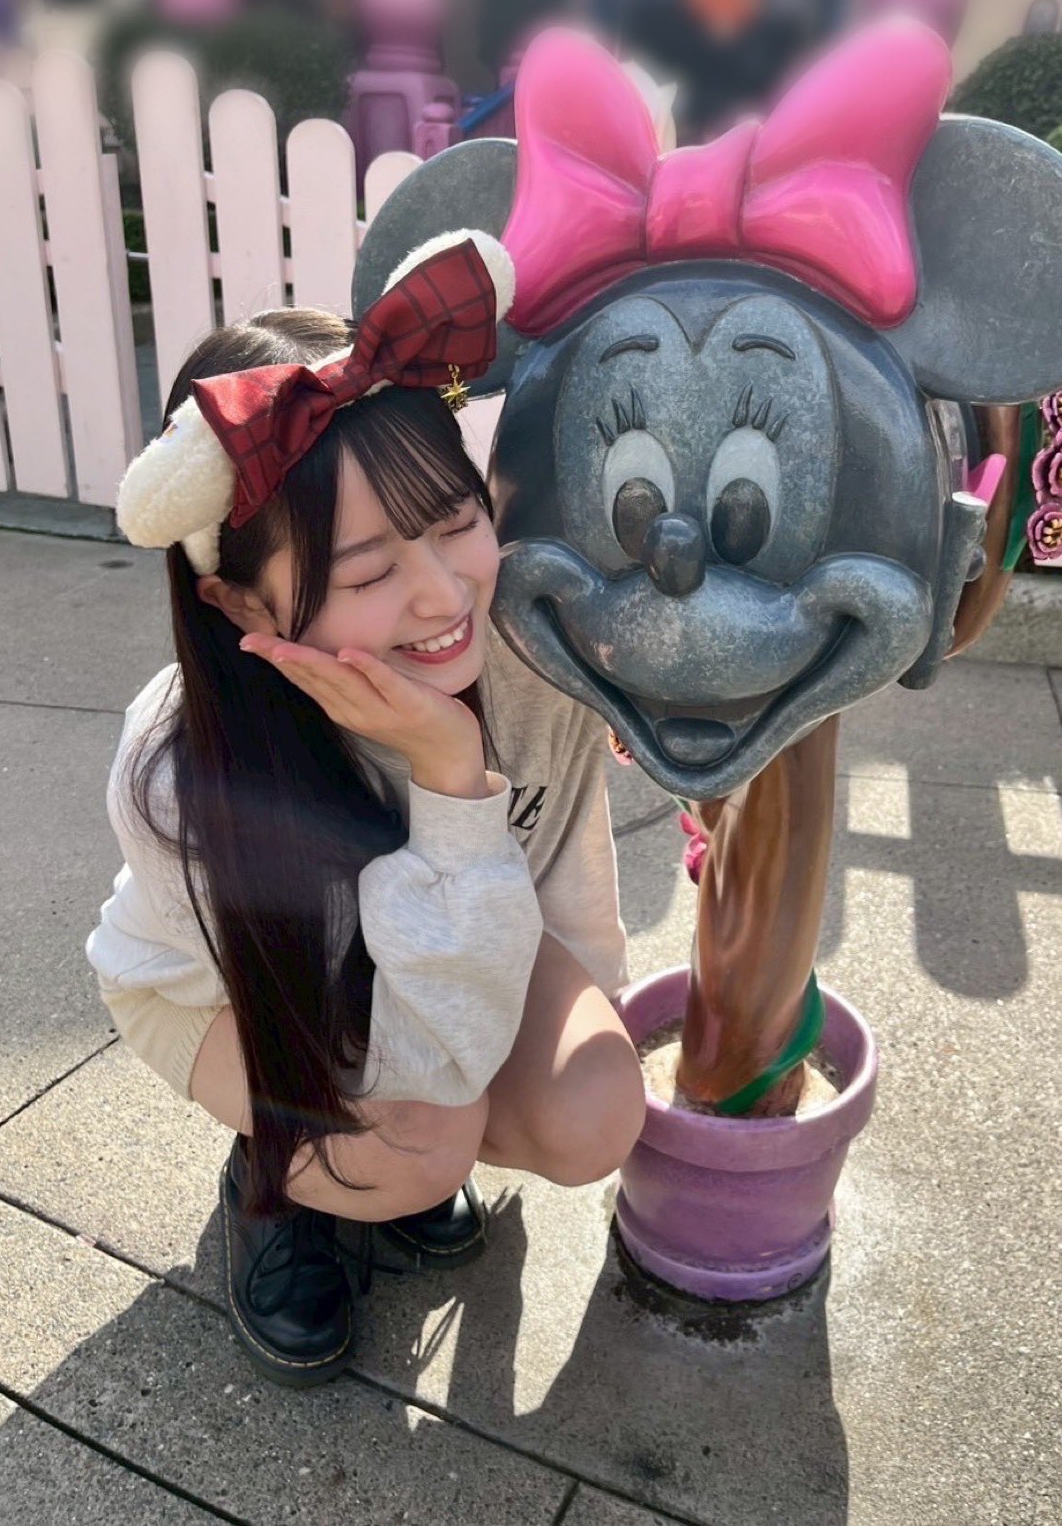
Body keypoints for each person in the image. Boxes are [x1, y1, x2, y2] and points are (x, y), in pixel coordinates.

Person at [87, 233, 645, 1388]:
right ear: (243, 603)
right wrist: (447, 776)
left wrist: (571, 1001)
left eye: (451, 520)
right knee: (418, 1141)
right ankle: (276, 1177)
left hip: (436, 961)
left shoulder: (529, 655)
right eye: (365, 572)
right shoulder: (179, 773)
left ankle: (362, 1166)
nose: (441, 597)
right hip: (232, 989)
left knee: (593, 1108)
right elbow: (419, 1057)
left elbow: (559, 865)